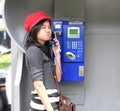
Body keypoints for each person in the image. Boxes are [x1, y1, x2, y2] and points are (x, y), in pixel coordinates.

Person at [24, 11, 62, 111]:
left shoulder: (43, 52)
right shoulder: (33, 51)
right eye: (43, 27)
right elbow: (38, 84)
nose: (48, 30)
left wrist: (57, 54)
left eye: (49, 27)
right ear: (34, 30)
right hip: (43, 108)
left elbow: (58, 78)